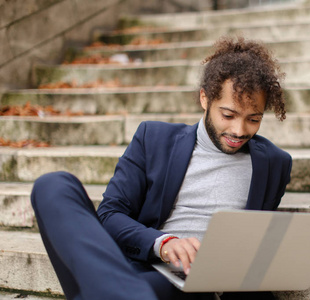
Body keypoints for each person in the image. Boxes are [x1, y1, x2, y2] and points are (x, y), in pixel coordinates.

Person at [31, 36, 292, 300]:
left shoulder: (274, 164)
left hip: (199, 290)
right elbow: (110, 215)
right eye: (228, 115)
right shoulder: (153, 139)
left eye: (253, 119)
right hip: (145, 276)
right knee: (52, 186)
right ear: (205, 98)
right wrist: (163, 244)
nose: (239, 130)